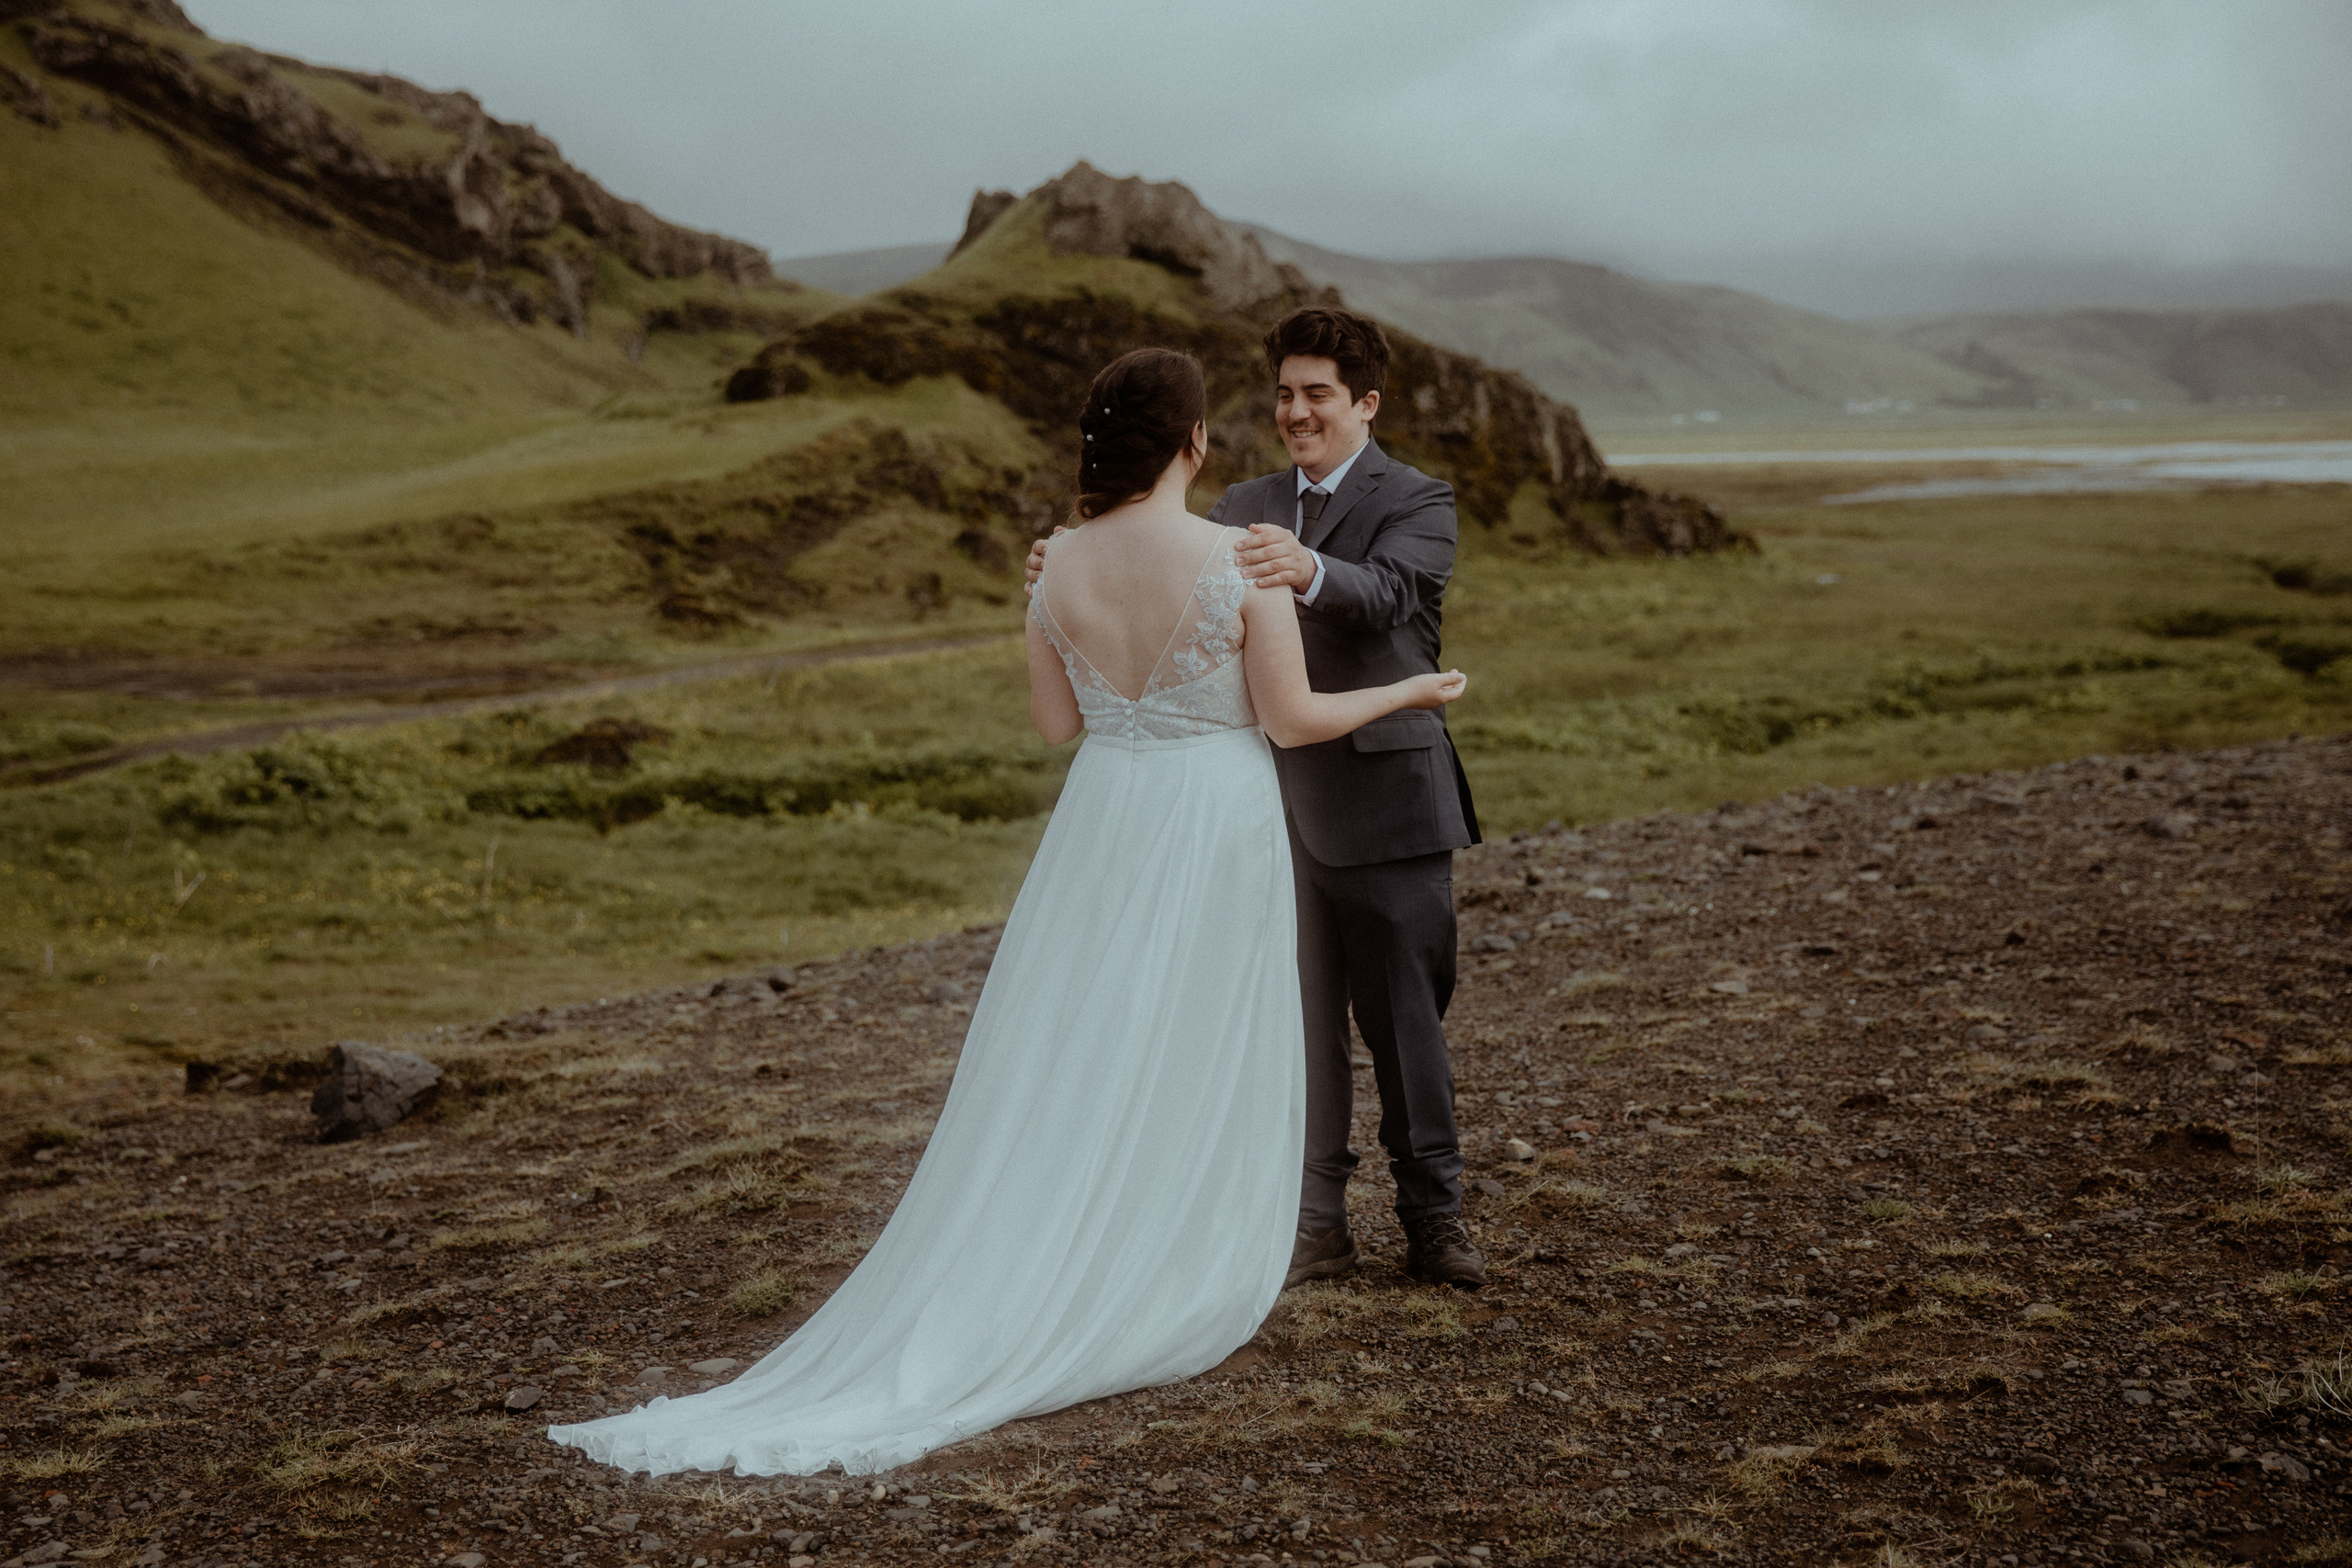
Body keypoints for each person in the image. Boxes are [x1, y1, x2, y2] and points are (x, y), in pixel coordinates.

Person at [545, 347, 1464, 1478]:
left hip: (1104, 820)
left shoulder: (1056, 565)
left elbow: (1052, 725)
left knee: (1083, 1037)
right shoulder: (1240, 557)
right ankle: (1173, 1249)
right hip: (1213, 819)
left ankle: (1066, 1231)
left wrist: (1058, 594)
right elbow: (1291, 719)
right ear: (1193, 447)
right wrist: (1414, 689)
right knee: (1197, 1030)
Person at [1028, 307, 1486, 1292]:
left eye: (1318, 394)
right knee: (1292, 1021)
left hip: (1388, 801)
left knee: (1406, 1020)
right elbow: (1167, 579)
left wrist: (1311, 568)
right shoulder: (1240, 499)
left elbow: (1396, 596)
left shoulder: (1421, 498)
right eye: (1283, 393)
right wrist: (1065, 565)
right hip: (1262, 813)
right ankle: (1313, 1223)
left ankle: (1433, 1218)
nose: (1295, 411)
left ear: (1366, 403)